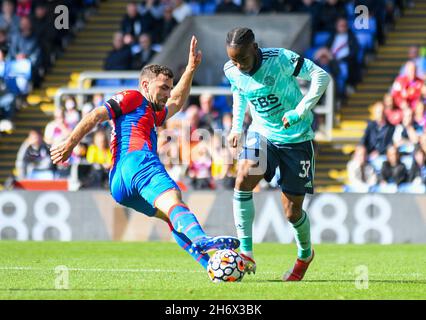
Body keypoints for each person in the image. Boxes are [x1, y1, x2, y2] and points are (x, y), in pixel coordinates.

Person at [50, 36, 239, 271]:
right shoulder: (134, 97)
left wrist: (190, 69)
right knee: (174, 200)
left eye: (169, 88)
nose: (168, 94)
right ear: (146, 85)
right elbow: (96, 115)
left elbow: (178, 103)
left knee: (172, 216)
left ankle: (210, 265)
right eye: (163, 88)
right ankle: (201, 240)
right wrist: (69, 143)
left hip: (119, 185)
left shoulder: (151, 113)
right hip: (136, 160)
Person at [224, 28, 330, 281]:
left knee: (292, 213)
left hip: (297, 139)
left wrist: (301, 110)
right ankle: (247, 252)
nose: (238, 66)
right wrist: (236, 127)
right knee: (243, 178)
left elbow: (321, 75)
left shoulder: (280, 59)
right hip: (263, 134)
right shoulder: (231, 70)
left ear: (255, 48)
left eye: (243, 60)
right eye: (234, 61)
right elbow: (239, 93)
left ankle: (305, 255)